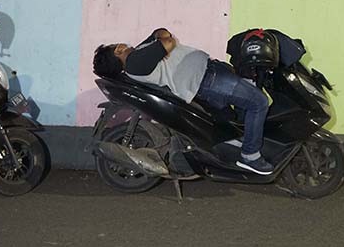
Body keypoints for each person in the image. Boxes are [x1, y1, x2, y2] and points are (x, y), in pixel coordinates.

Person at [92, 28, 273, 175]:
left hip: (207, 76)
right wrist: (163, 39)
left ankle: (240, 142)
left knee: (239, 106)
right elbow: (167, 41)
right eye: (116, 45)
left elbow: (160, 32)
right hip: (206, 79)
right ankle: (250, 155)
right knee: (258, 102)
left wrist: (161, 38)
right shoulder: (134, 62)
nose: (122, 44)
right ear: (118, 51)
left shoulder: (139, 54)